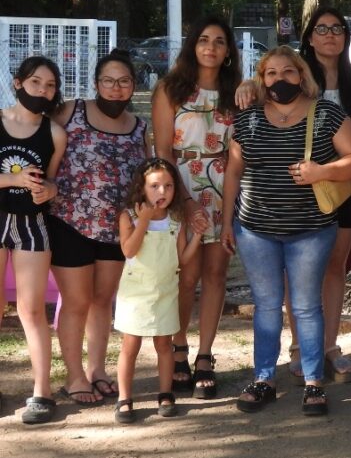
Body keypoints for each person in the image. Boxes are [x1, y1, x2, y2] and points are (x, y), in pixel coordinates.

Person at [221, 47, 351, 416]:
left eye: (288, 72)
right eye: (271, 73)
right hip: (255, 229)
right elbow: (234, 173)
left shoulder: (327, 114)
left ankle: (314, 382)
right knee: (267, 306)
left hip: (310, 230)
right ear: (261, 78)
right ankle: (264, 378)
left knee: (305, 306)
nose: (279, 80)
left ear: (302, 75)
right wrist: (226, 222)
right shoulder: (248, 118)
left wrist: (322, 172)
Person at [49, 50, 149, 406]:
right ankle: (74, 377)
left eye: (124, 81)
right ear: (96, 83)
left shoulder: (139, 127)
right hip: (69, 222)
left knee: (103, 300)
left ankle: (97, 370)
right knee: (76, 302)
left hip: (117, 230)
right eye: (108, 80)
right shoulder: (70, 111)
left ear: (133, 86)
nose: (116, 88)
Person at [152, 15, 240, 400]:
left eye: (219, 41)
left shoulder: (234, 91)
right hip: (181, 182)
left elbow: (238, 153)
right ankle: (179, 350)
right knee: (185, 276)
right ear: (193, 45)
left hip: (223, 184)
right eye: (204, 39)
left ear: (228, 51)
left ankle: (206, 355)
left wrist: (230, 211)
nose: (211, 47)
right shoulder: (170, 89)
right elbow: (162, 150)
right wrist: (184, 201)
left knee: (216, 274)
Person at [0, 56, 68, 424]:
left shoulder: (55, 133)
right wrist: (13, 179)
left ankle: (42, 392)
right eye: (36, 82)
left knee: (30, 309)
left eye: (50, 85)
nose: (43, 90)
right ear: (18, 83)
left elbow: (52, 182)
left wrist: (48, 191)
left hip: (31, 223)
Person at [113, 158, 202, 423]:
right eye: (154, 186)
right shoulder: (128, 216)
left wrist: (197, 235)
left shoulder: (176, 219)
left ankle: (166, 393)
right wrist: (144, 221)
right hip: (135, 294)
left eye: (168, 186)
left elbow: (182, 259)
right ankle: (124, 398)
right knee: (130, 346)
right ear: (141, 188)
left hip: (165, 292)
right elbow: (129, 250)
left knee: (165, 345)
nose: (162, 192)